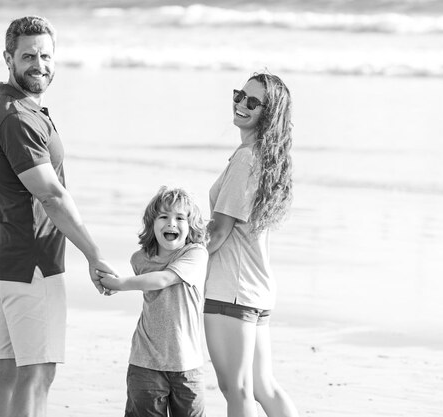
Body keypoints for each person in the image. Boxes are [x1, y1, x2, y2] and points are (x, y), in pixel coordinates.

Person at [0, 16, 116, 417]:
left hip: (6, 263)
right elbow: (52, 196)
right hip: (32, 264)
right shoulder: (18, 118)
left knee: (6, 370)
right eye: (28, 56)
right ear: (8, 58)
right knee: (37, 373)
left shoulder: (2, 107)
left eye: (46, 55)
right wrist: (93, 254)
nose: (39, 64)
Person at [203, 73, 299, 417]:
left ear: (268, 113)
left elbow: (217, 233)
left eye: (253, 102)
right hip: (255, 289)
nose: (241, 104)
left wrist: (174, 261)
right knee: (263, 386)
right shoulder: (264, 157)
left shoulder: (247, 158)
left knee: (237, 390)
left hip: (231, 289)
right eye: (240, 95)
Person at [97, 186, 209, 417]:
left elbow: (163, 279)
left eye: (180, 218)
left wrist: (119, 284)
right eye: (164, 217)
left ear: (190, 226)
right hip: (145, 361)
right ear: (152, 223)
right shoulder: (139, 259)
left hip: (187, 365)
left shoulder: (195, 254)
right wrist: (108, 280)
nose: (172, 223)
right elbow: (147, 281)